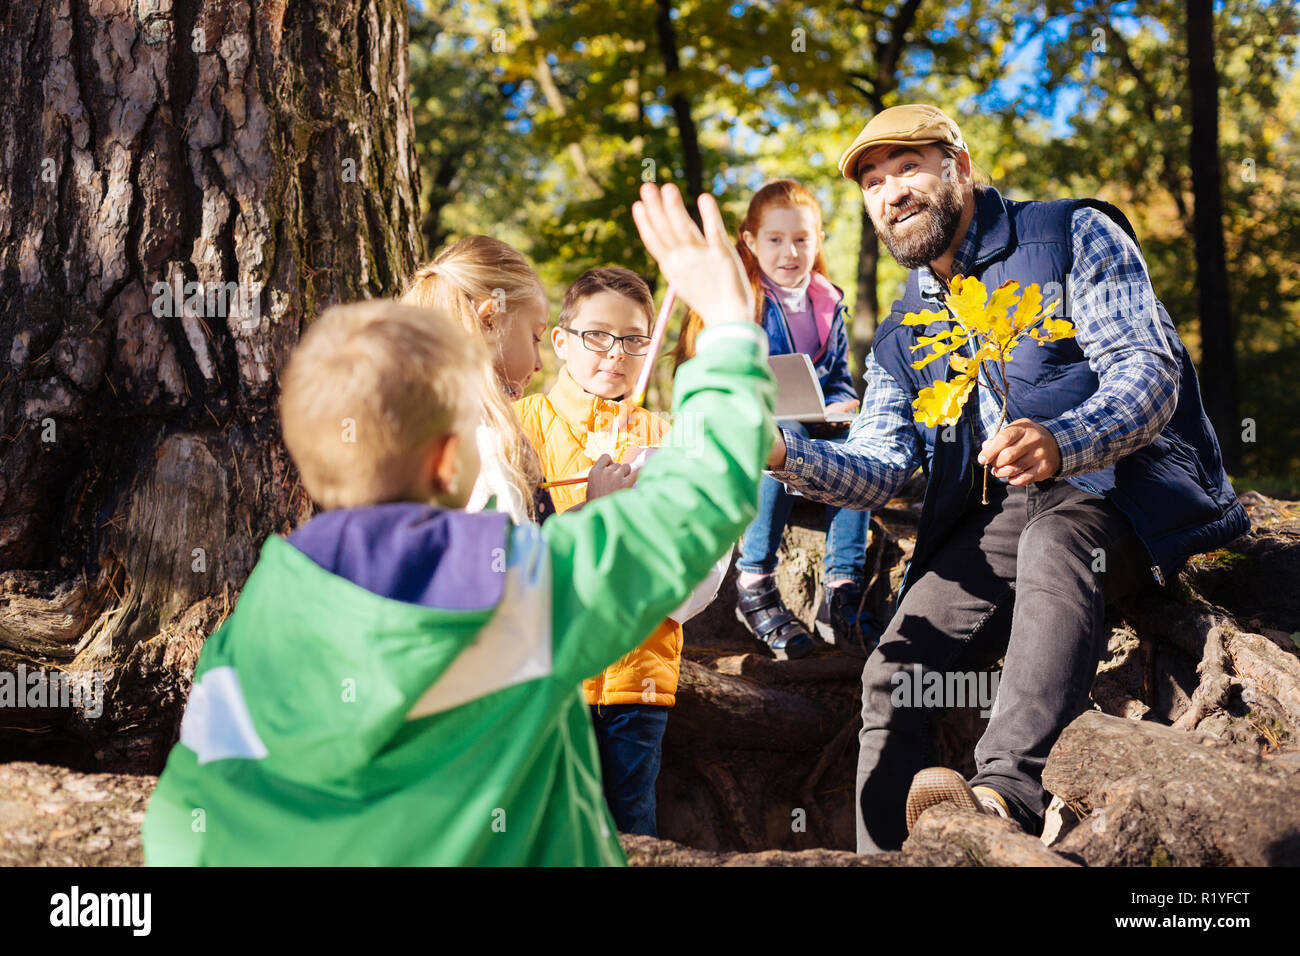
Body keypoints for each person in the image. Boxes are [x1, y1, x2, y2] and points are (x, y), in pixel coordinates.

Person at [140, 183, 777, 866]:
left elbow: (186, 826)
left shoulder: (249, 628)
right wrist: (732, 334)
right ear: (450, 462)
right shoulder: (517, 591)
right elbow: (697, 502)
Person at [763, 104, 1251, 852]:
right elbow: (883, 466)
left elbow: (1147, 373)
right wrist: (782, 457)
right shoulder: (904, 331)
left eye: (907, 169)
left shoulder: (1071, 234)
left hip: (1121, 494)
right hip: (1001, 518)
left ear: (959, 166)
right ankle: (885, 855)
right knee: (893, 673)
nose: (890, 192)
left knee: (1057, 536)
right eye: (872, 182)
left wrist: (1064, 441)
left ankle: (999, 802)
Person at [516, 266, 725, 837]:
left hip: (641, 674)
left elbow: (708, 549)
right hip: (549, 675)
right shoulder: (520, 426)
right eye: (598, 336)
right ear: (560, 342)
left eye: (634, 339)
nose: (616, 352)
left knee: (631, 828)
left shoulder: (669, 436)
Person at [675, 180, 882, 661]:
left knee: (859, 440)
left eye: (802, 240)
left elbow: (836, 380)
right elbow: (706, 376)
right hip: (746, 431)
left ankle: (842, 586)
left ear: (819, 241)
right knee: (782, 432)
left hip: (814, 429)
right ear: (749, 242)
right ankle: (755, 578)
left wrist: (843, 406)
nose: (790, 252)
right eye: (775, 239)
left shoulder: (828, 300)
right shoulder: (740, 302)